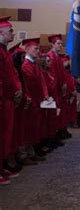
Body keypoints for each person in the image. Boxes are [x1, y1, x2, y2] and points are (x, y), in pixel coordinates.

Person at [0, 17, 23, 184]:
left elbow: (11, 76)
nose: (13, 34)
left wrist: (17, 91)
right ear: (1, 33)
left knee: (5, 136)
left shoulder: (5, 53)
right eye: (10, 31)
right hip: (2, 99)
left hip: (8, 99)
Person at [20, 38, 49, 164]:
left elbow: (41, 82)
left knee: (33, 128)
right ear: (27, 49)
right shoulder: (25, 65)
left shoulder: (34, 65)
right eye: (35, 48)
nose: (38, 51)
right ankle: (23, 155)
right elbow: (26, 85)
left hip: (37, 101)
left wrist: (45, 95)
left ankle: (31, 153)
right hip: (29, 101)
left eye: (38, 48)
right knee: (25, 128)